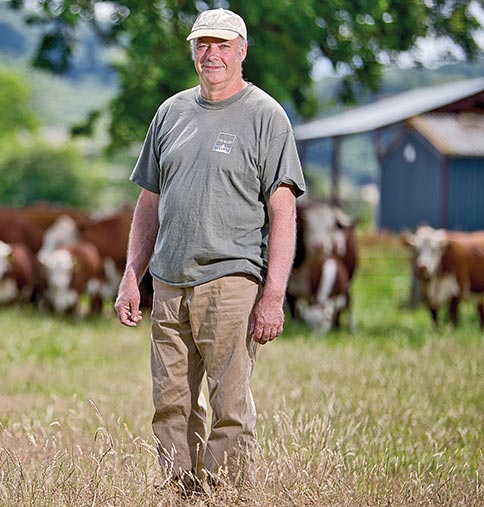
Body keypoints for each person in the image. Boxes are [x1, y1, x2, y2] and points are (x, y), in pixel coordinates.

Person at [113, 7, 306, 495]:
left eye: (223, 45)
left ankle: (225, 496)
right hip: (169, 283)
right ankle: (181, 494)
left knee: (230, 408)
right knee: (171, 404)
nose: (211, 54)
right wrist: (133, 273)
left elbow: (283, 213)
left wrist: (273, 295)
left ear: (242, 51)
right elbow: (149, 201)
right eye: (203, 44)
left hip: (230, 282)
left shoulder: (266, 116)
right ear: (193, 51)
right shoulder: (171, 113)